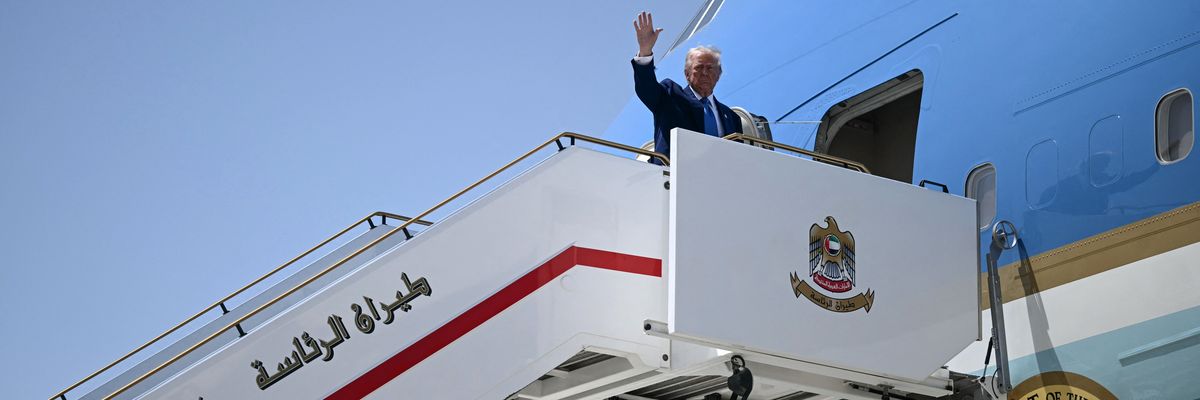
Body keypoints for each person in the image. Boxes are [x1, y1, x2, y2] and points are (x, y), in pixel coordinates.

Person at [632, 11, 741, 165]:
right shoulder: (670, 95)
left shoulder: (731, 117)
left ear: (719, 74)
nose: (704, 73)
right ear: (687, 74)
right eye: (698, 67)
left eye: (710, 68)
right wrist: (645, 51)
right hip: (675, 181)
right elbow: (646, 88)